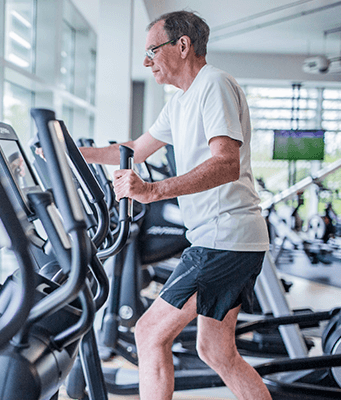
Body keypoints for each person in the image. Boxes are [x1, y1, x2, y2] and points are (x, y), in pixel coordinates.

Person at [78, 10, 271, 400]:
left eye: (152, 50)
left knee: (148, 334)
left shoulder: (213, 84)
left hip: (223, 239)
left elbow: (225, 163)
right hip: (225, 239)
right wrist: (73, 152)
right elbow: (131, 150)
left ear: (182, 46)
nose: (147, 61)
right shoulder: (181, 102)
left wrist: (151, 191)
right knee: (216, 351)